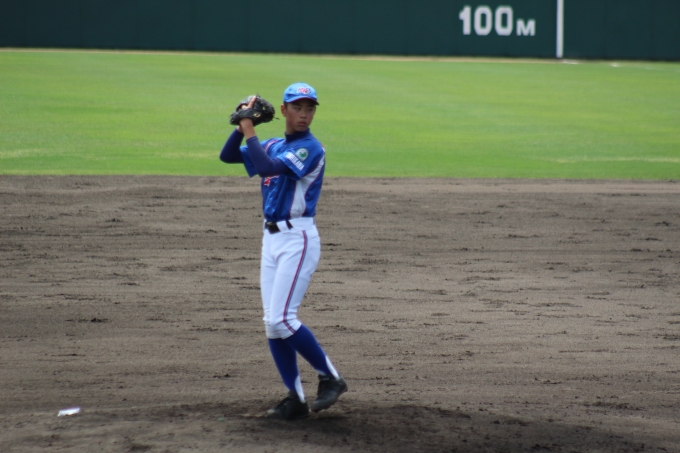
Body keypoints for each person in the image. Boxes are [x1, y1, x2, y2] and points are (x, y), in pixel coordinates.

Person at [219, 83, 347, 420]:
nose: (304, 114)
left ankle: (330, 377)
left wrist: (249, 128)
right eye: (298, 107)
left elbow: (267, 168)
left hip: (297, 239)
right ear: (284, 110)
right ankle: (295, 399)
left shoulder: (310, 148)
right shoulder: (273, 143)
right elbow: (228, 156)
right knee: (271, 324)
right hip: (271, 240)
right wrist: (242, 127)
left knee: (283, 319)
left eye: (310, 108)